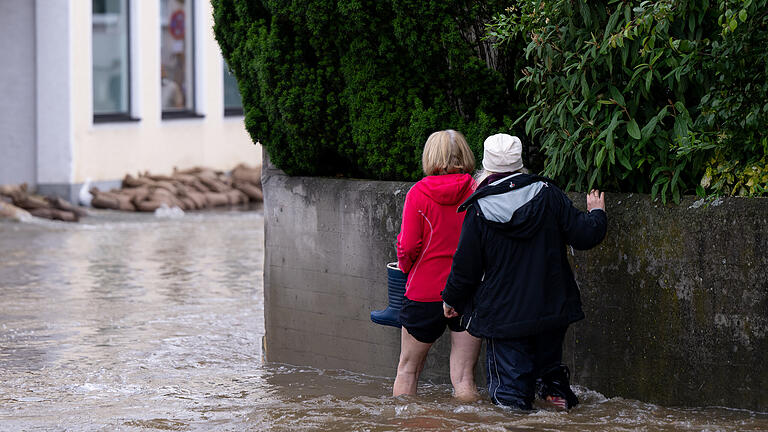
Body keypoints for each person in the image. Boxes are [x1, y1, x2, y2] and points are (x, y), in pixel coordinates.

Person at [441, 133, 607, 410]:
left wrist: (451, 300)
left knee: (511, 398)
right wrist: (597, 214)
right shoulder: (548, 193)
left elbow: (465, 268)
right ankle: (556, 398)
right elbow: (584, 235)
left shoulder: (479, 209)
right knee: (551, 375)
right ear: (520, 164)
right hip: (551, 308)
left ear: (486, 167)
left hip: (505, 317)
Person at [393, 129, 482, 401]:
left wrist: (406, 269)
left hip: (424, 292)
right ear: (464, 154)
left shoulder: (418, 193)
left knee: (408, 370)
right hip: (468, 292)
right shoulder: (478, 191)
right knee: (464, 377)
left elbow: (407, 247)